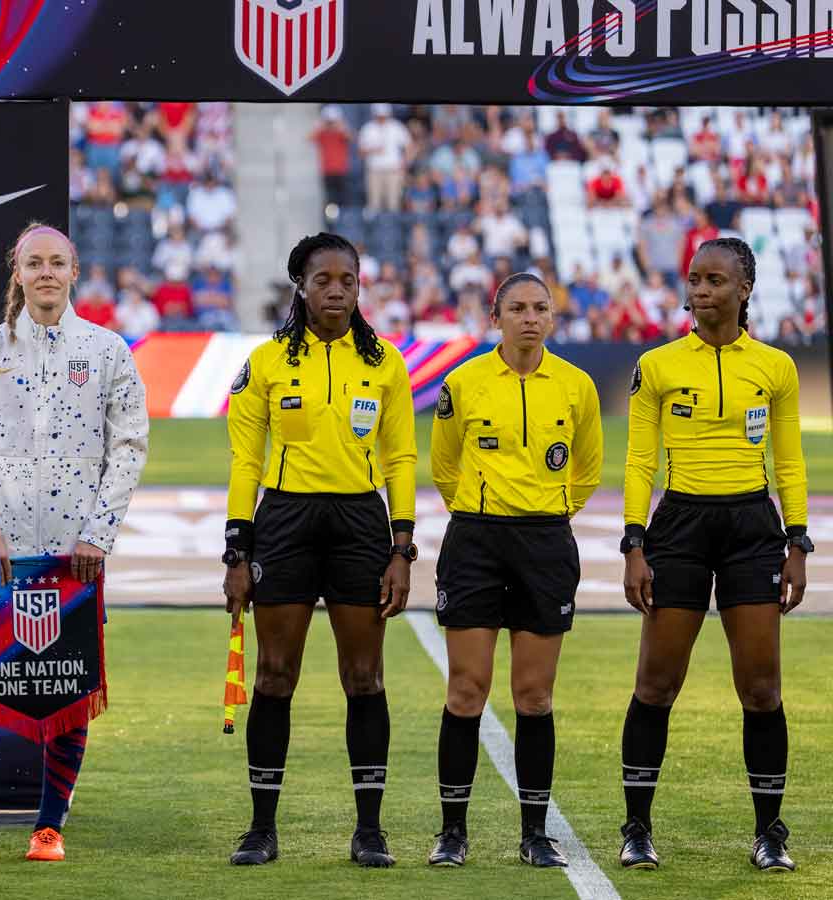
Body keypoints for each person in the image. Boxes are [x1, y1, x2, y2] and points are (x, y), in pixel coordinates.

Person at [0, 222, 148, 862]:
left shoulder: (109, 350)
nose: (46, 274)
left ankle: (49, 824)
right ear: (18, 272)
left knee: (68, 687)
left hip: (73, 554)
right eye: (34, 263)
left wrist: (98, 532)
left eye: (57, 262)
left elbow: (129, 447)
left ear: (75, 269)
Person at [223, 232, 416, 868]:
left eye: (348, 280)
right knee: (275, 674)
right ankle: (260, 829)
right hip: (285, 521)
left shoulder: (385, 362)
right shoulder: (268, 362)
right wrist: (236, 548)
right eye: (323, 279)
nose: (336, 289)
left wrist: (402, 546)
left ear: (360, 287)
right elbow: (247, 458)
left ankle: (369, 831)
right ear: (300, 286)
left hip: (361, 523)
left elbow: (401, 457)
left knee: (364, 677)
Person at [617, 238, 810, 873]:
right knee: (656, 684)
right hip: (680, 528)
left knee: (760, 689)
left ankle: (770, 834)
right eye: (695, 280)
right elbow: (641, 459)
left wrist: (798, 542)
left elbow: (788, 460)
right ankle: (637, 828)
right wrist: (633, 541)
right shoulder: (659, 364)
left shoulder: (776, 367)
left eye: (715, 281)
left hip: (754, 527)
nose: (701, 291)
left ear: (744, 289)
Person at [426, 274, 604, 868]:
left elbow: (587, 469)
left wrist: (546, 514)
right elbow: (444, 463)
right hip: (475, 540)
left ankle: (534, 834)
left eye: (540, 309)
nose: (530, 318)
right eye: (518, 309)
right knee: (466, 690)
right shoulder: (463, 381)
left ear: (552, 319)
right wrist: (482, 513)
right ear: (496, 317)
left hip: (545, 544)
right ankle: (452, 832)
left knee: (533, 695)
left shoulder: (576, 386)